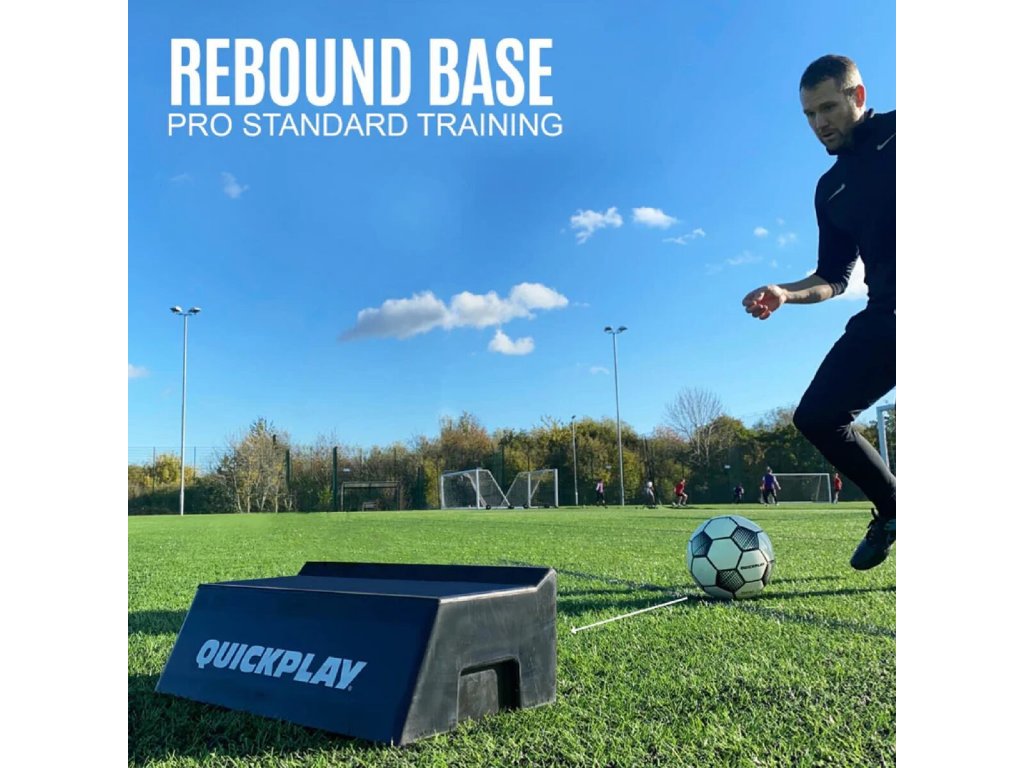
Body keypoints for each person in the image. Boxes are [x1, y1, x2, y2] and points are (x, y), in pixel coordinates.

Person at [741, 55, 895, 570]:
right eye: (809, 114)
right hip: (889, 315)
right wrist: (785, 292)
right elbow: (834, 276)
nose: (819, 123)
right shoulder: (830, 190)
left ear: (858, 96)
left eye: (828, 108)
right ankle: (895, 506)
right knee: (817, 416)